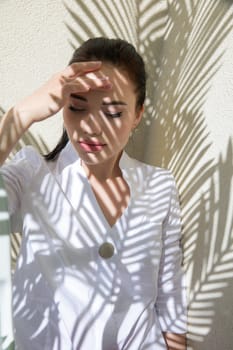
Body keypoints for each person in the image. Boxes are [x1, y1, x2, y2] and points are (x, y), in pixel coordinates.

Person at [0, 37, 187, 349]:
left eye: (113, 113)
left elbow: (169, 295)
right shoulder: (32, 174)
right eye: (77, 107)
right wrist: (23, 113)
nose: (90, 128)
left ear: (138, 115)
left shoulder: (160, 185)